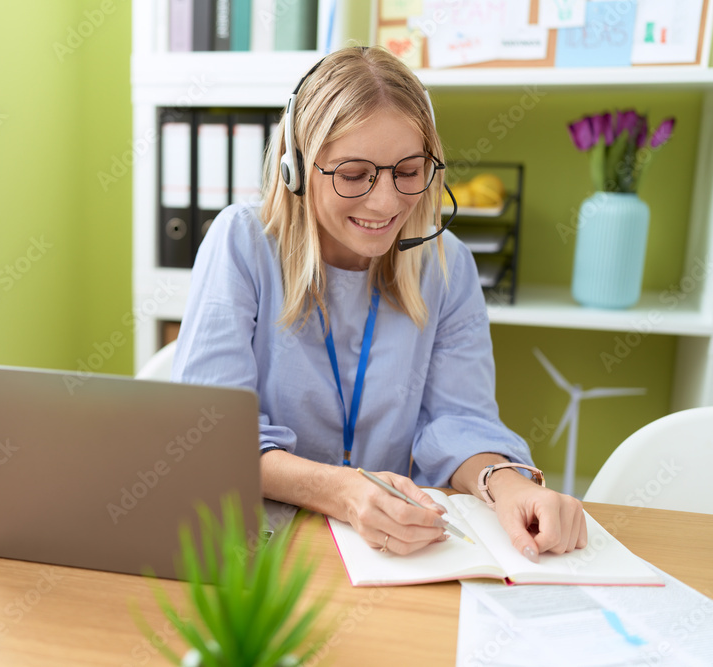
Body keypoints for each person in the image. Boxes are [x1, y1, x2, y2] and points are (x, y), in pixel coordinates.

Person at [171, 46, 586, 560]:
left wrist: (506, 482)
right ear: (296, 168)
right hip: (260, 545)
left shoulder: (446, 264)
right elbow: (209, 438)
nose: (386, 202)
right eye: (352, 174)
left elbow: (458, 421)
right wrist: (342, 490)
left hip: (381, 551)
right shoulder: (243, 243)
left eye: (408, 171)